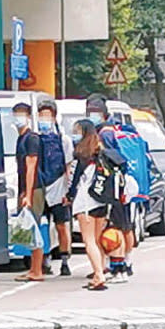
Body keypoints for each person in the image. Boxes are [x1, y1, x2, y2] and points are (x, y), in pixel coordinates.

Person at [87, 95, 136, 282]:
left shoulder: (105, 134)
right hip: (118, 187)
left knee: (115, 229)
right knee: (121, 227)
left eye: (95, 113)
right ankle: (122, 265)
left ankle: (119, 268)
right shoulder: (111, 130)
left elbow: (110, 162)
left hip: (112, 188)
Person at [64, 119, 108, 290]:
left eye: (77, 131)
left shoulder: (81, 154)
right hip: (102, 200)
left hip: (86, 202)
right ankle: (101, 269)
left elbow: (74, 181)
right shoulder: (101, 152)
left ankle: (99, 274)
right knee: (97, 240)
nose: (74, 134)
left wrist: (69, 196)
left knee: (88, 241)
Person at [37, 100, 74, 276]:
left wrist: (68, 191)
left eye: (47, 116)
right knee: (42, 225)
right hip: (41, 187)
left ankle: (65, 261)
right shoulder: (35, 139)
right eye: (41, 115)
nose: (44, 119)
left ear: (54, 117)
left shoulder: (63, 140)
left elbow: (68, 166)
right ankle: (44, 260)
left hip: (58, 187)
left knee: (61, 226)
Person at [13, 103, 45, 282]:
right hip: (25, 188)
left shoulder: (32, 138)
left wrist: (28, 194)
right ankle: (33, 268)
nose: (17, 118)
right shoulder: (21, 138)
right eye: (16, 114)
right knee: (28, 228)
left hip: (34, 188)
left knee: (34, 227)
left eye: (21, 114)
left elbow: (31, 168)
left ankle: (37, 270)